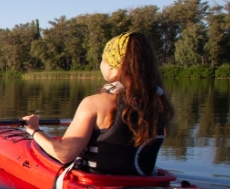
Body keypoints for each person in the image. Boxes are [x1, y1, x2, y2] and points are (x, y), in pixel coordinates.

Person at [23, 31, 174, 176]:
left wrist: (35, 130)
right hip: (150, 186)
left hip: (98, 184)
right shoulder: (161, 104)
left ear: (113, 66)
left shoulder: (94, 103)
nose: (101, 63)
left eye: (103, 58)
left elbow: (64, 154)